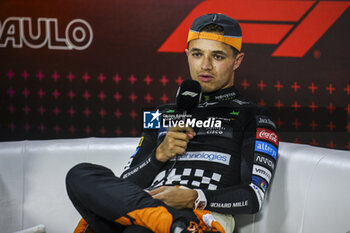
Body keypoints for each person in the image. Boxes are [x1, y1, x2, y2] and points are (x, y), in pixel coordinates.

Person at [66, 13, 279, 233]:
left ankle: (179, 222)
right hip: (146, 210)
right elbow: (126, 184)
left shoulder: (254, 115)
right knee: (79, 174)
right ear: (187, 55)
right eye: (197, 54)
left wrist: (195, 197)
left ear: (237, 61)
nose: (205, 65)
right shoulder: (160, 113)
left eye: (217, 56)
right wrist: (158, 156)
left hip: (199, 215)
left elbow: (253, 197)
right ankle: (175, 224)